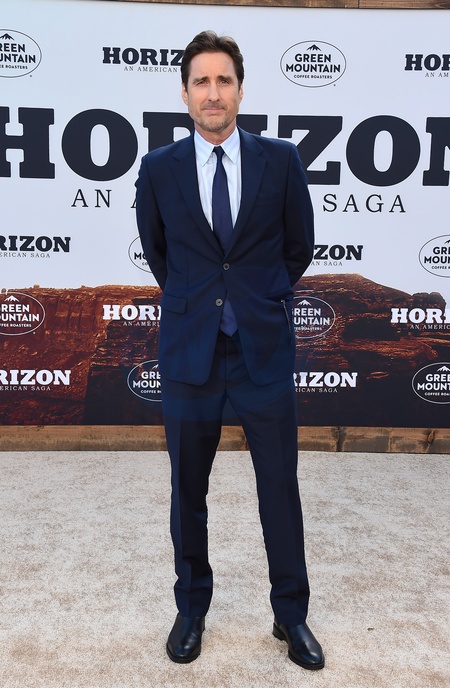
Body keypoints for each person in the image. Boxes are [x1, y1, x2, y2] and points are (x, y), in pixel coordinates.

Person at [135, 30, 324, 670]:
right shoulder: (158, 169)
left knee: (279, 489)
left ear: (240, 90)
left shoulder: (282, 161)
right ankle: (191, 608)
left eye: (224, 80)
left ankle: (290, 615)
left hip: (261, 353)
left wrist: (256, 299)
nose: (213, 93)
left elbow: (298, 248)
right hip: (190, 355)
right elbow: (161, 255)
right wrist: (202, 306)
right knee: (187, 490)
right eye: (201, 82)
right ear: (185, 93)